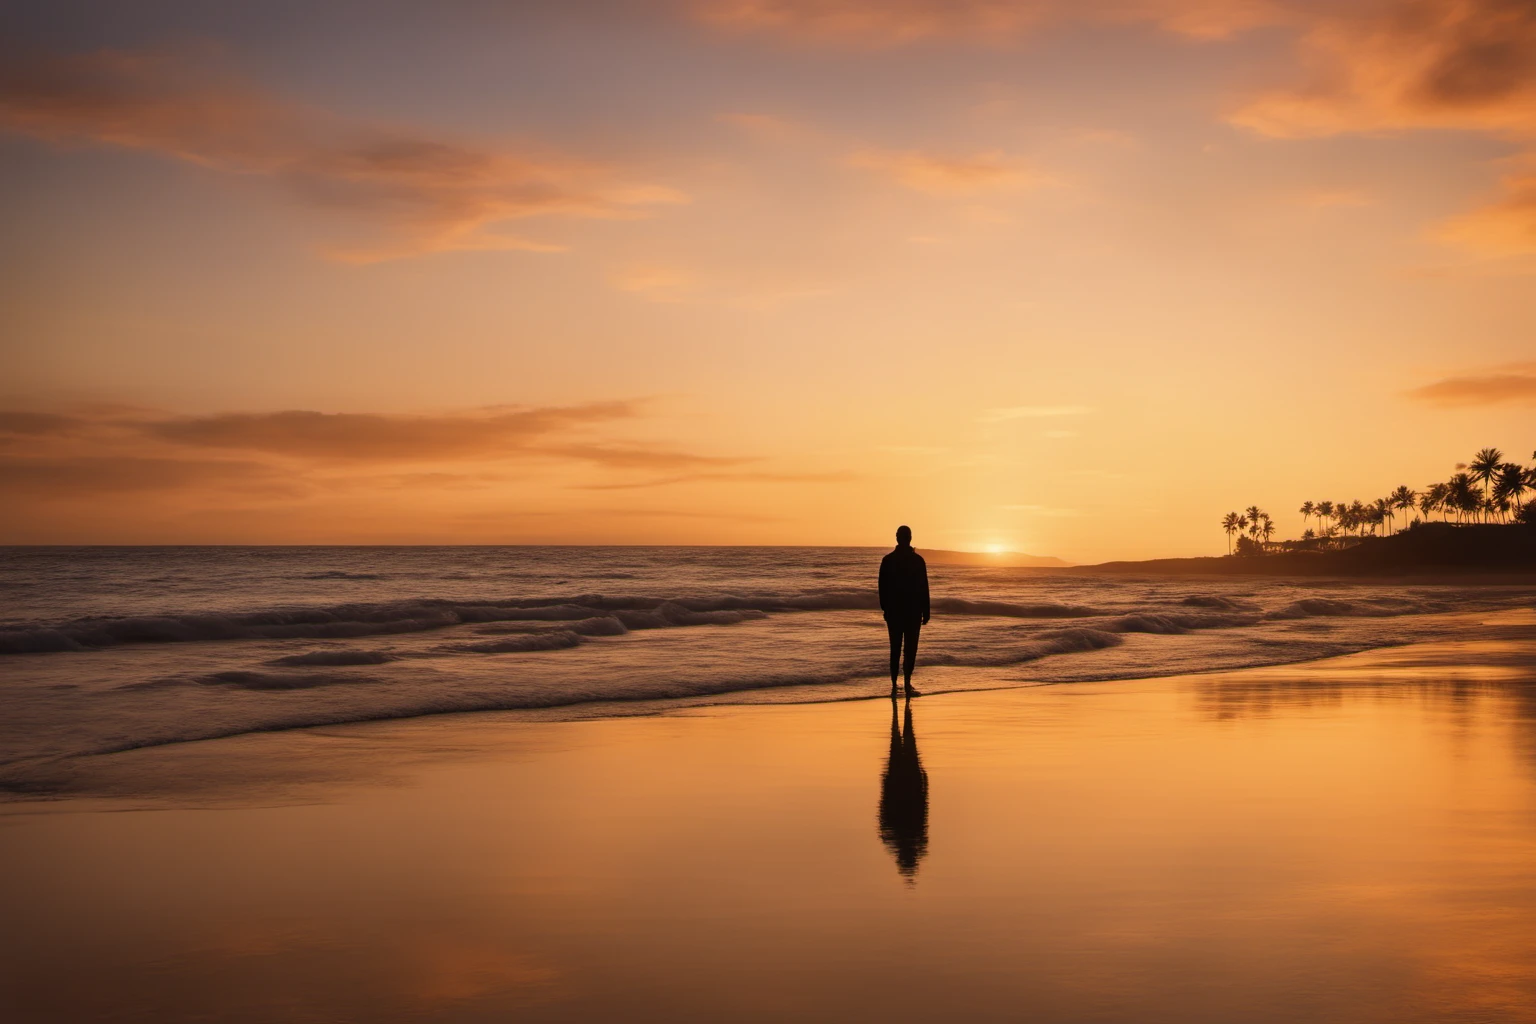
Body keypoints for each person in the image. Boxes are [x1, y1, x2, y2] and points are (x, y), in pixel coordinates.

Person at [878, 524, 929, 697]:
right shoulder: (917, 561)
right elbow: (924, 588)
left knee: (895, 648)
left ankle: (895, 684)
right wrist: (926, 610)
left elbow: (882, 588)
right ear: (910, 538)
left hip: (895, 612)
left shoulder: (888, 560)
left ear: (897, 538)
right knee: (909, 649)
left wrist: (885, 608)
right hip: (912, 611)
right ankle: (906, 683)